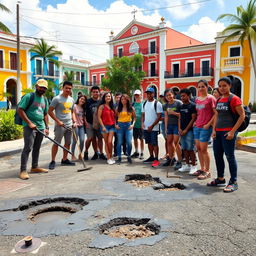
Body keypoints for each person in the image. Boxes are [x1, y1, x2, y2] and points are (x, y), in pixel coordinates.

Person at [208, 77, 245, 192]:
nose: (222, 88)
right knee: (218, 156)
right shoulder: (219, 100)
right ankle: (220, 178)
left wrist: (232, 132)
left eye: (224, 85)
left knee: (229, 156)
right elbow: (217, 116)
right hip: (218, 132)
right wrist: (213, 130)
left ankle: (233, 182)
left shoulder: (234, 99)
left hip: (228, 132)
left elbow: (242, 116)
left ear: (230, 86)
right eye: (220, 86)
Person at [18, 79, 49, 180]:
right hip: (29, 127)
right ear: (36, 86)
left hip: (40, 126)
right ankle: (23, 170)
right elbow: (20, 110)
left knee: (37, 148)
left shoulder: (45, 99)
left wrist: (47, 127)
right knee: (28, 148)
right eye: (41, 87)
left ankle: (34, 167)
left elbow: (45, 114)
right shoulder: (29, 96)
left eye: (44, 88)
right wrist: (30, 123)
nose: (42, 89)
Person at [48, 81, 77, 170]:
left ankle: (64, 159)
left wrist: (74, 121)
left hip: (69, 125)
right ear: (62, 88)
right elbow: (49, 112)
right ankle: (53, 161)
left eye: (70, 88)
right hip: (60, 125)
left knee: (68, 143)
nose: (68, 90)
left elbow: (72, 112)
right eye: (66, 88)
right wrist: (58, 121)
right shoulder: (56, 99)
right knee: (57, 143)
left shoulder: (71, 99)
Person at [193, 80, 217, 179]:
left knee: (204, 149)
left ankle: (207, 171)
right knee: (198, 149)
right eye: (199, 87)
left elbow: (216, 113)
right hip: (197, 127)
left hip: (205, 128)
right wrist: (195, 121)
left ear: (207, 87)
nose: (201, 88)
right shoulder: (197, 99)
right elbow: (198, 113)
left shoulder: (211, 98)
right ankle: (202, 168)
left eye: (203, 86)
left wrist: (209, 124)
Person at [84, 86, 106, 161]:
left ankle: (101, 153)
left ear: (99, 92)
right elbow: (84, 113)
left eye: (97, 92)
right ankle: (87, 151)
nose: (95, 93)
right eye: (94, 92)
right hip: (89, 122)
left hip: (98, 123)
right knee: (91, 138)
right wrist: (85, 122)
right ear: (91, 93)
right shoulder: (88, 101)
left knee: (100, 138)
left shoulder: (101, 101)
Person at [142, 87, 163, 167]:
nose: (148, 95)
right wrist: (142, 123)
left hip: (154, 128)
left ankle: (156, 158)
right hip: (146, 127)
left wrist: (152, 126)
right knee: (149, 143)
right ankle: (151, 156)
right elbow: (143, 114)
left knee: (154, 143)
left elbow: (159, 116)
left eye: (150, 93)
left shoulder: (157, 104)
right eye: (147, 93)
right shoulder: (144, 103)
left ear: (153, 94)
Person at [178, 89, 197, 174]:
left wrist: (186, 129)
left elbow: (193, 118)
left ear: (188, 96)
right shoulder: (181, 106)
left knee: (190, 148)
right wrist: (179, 128)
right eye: (181, 96)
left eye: (184, 96)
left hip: (189, 131)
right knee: (184, 148)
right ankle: (186, 165)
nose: (182, 97)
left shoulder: (192, 106)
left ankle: (193, 166)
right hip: (182, 130)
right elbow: (179, 118)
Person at [163, 89, 182, 170]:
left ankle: (179, 161)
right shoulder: (165, 105)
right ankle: (171, 159)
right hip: (169, 126)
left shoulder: (178, 103)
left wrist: (174, 113)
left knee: (176, 143)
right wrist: (166, 128)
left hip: (177, 125)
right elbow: (166, 116)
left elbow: (182, 115)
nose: (169, 97)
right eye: (167, 95)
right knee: (169, 142)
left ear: (173, 95)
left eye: (170, 95)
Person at [115, 94, 136, 164]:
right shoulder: (118, 108)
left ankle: (129, 156)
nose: (123, 100)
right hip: (120, 126)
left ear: (127, 100)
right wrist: (116, 125)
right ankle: (119, 157)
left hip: (128, 125)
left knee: (129, 142)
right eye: (122, 99)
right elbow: (115, 118)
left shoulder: (131, 108)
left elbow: (135, 118)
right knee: (119, 142)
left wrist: (133, 124)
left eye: (125, 99)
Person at [97, 92, 116, 165]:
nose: (108, 97)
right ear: (104, 98)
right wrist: (103, 127)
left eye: (109, 96)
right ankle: (108, 157)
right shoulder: (102, 106)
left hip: (112, 126)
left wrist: (115, 124)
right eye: (107, 96)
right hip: (104, 126)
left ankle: (111, 156)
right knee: (106, 142)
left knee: (110, 142)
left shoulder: (112, 106)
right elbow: (99, 117)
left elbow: (115, 117)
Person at [71, 95, 88, 161]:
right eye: (81, 99)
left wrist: (86, 122)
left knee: (82, 140)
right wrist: (74, 122)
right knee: (75, 141)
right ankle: (72, 155)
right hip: (76, 125)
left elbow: (83, 116)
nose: (82, 100)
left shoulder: (83, 108)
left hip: (81, 126)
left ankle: (80, 154)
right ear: (78, 99)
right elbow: (73, 114)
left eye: (84, 100)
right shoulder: (75, 106)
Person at [131, 90, 144, 159]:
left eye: (138, 95)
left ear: (141, 95)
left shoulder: (143, 103)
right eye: (135, 95)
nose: (137, 96)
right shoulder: (133, 104)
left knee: (141, 139)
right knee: (135, 138)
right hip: (134, 124)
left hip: (141, 124)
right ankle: (136, 151)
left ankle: (141, 152)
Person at [113, 92, 126, 156]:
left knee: (124, 139)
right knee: (116, 139)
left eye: (119, 98)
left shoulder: (124, 105)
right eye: (117, 97)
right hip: (116, 124)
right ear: (115, 98)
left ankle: (125, 151)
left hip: (124, 124)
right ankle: (116, 152)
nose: (118, 99)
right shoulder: (113, 106)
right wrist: (115, 124)